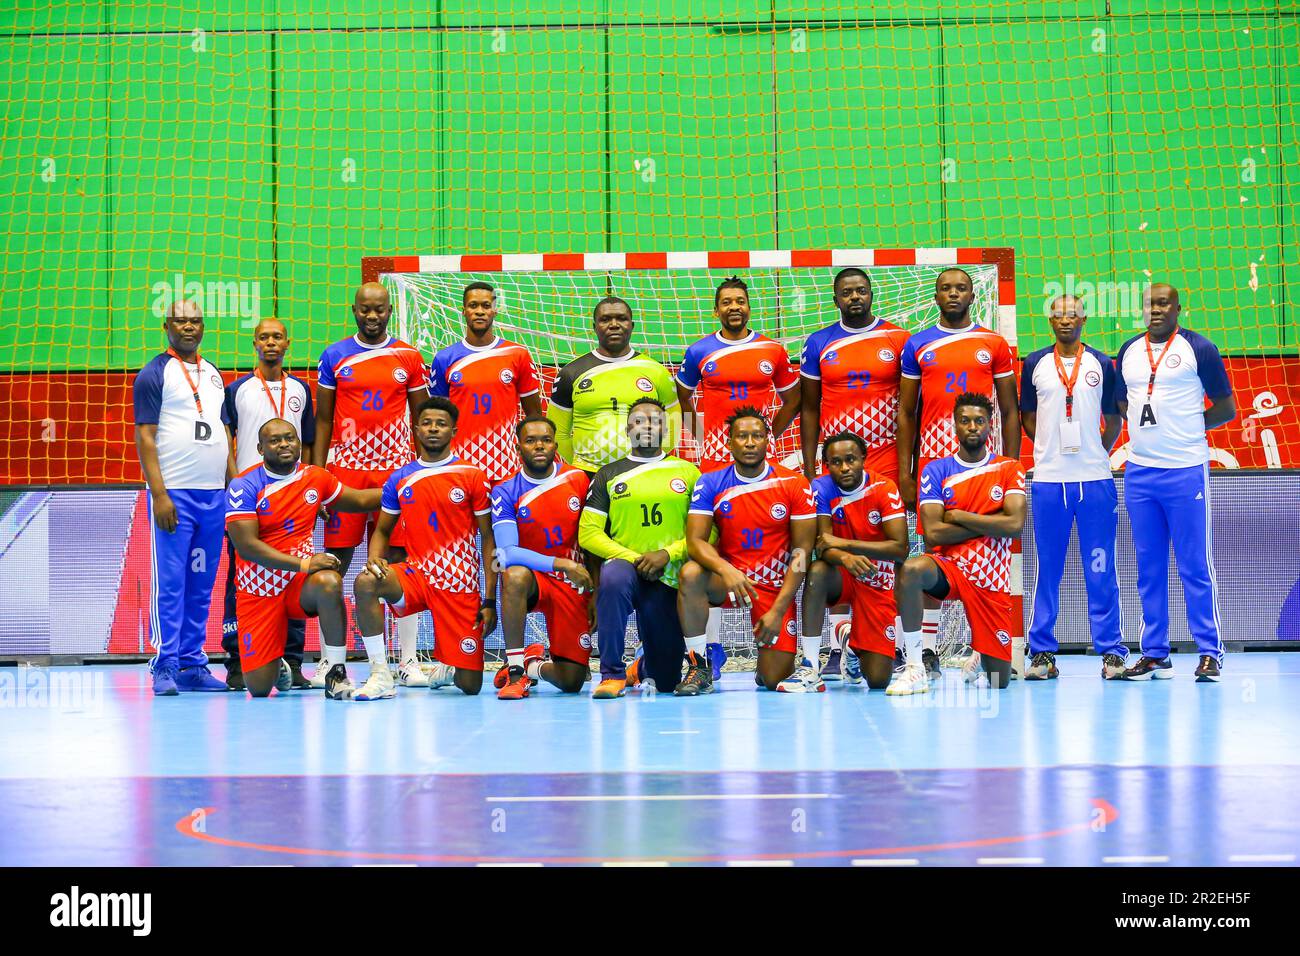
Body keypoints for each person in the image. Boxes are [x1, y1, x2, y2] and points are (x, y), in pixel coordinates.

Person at [897, 268, 1020, 679]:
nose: (953, 294)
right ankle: (926, 651)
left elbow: (1009, 409)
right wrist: (906, 472)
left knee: (988, 553)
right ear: (935, 296)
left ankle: (983, 646)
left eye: (960, 288)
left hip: (986, 464)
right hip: (935, 461)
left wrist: (1012, 466)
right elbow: (907, 412)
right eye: (945, 288)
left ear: (972, 295)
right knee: (936, 553)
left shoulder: (992, 343)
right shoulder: (918, 344)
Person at [675, 276, 800, 676]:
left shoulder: (772, 350)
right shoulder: (699, 352)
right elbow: (685, 399)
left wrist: (770, 435)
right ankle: (708, 650)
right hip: (714, 460)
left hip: (760, 457)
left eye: (740, 301)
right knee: (713, 549)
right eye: (726, 301)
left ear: (749, 307)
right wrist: (700, 445)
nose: (734, 307)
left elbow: (794, 397)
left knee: (769, 535)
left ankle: (783, 624)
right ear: (716, 310)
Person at [1115, 283, 1235, 682]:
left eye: (1163, 303)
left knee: (1194, 565)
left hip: (1186, 471)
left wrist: (1185, 428)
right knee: (1148, 569)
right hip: (1140, 473)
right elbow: (1122, 405)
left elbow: (1226, 408)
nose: (1156, 309)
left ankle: (1210, 652)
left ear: (1178, 308)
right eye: (1149, 303)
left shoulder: (1200, 349)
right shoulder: (1129, 351)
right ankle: (1155, 653)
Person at [314, 282, 430, 687]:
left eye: (379, 309)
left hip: (395, 476)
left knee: (396, 565)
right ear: (354, 310)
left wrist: (418, 473)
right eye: (365, 310)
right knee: (335, 564)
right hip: (345, 475)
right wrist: (317, 481)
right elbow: (324, 421)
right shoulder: (334, 355)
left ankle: (408, 660)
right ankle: (333, 662)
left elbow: (422, 421)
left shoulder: (408, 356)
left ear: (390, 310)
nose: (372, 316)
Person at [799, 266, 909, 679]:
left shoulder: (897, 340)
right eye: (846, 293)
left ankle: (892, 641)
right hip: (836, 466)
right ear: (835, 299)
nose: (855, 298)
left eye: (861, 290)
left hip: (881, 463)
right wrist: (810, 467)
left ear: (871, 294)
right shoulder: (819, 343)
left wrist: (905, 470)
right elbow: (809, 408)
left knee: (892, 557)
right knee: (829, 552)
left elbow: (906, 408)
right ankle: (834, 642)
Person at [351, 397, 498, 699]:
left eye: (441, 424)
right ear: (416, 430)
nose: (433, 429)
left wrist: (489, 598)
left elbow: (488, 538)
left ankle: (451, 664)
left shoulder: (473, 475)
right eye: (427, 423)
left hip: (458, 583)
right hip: (416, 575)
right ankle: (380, 673)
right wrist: (374, 560)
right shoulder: (400, 478)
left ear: (454, 431)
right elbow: (381, 529)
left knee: (471, 687)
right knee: (366, 582)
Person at [225, 419, 381, 698]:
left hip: (298, 585)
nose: (284, 444)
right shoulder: (243, 485)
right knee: (259, 688)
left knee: (329, 581)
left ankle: (336, 672)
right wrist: (305, 564)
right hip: (258, 590)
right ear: (260, 448)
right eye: (274, 440)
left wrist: (402, 490)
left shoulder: (315, 477)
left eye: (290, 438)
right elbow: (246, 546)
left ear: (298, 443)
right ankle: (276, 666)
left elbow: (357, 500)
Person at [1020, 294, 1127, 680]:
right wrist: (1050, 449)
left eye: (1072, 314)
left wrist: (1097, 451)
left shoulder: (1102, 363)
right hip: (1049, 482)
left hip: (1095, 482)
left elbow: (1113, 419)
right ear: (1050, 321)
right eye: (1058, 314)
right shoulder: (1034, 363)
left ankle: (1112, 652)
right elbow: (1028, 419)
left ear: (1085, 318)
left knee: (1100, 568)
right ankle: (1043, 654)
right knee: (1048, 570)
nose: (1065, 320)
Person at [893, 393, 1027, 695]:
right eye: (964, 421)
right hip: (949, 568)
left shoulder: (1008, 468)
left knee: (998, 682)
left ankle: (981, 654)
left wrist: (961, 515)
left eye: (979, 421)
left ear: (990, 426)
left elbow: (1015, 526)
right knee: (912, 569)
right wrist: (991, 523)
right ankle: (914, 664)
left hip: (990, 578)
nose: (972, 427)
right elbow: (933, 533)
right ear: (954, 425)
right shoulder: (937, 470)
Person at [133, 299, 232, 696]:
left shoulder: (212, 374)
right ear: (167, 325)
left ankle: (193, 664)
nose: (189, 327)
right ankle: (165, 663)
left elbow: (224, 434)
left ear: (203, 326)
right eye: (181, 321)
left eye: (195, 321)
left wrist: (235, 491)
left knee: (202, 583)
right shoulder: (154, 374)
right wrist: (159, 494)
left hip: (214, 496)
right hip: (174, 494)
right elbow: (145, 435)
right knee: (172, 583)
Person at [679, 407, 816, 693]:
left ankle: (767, 663)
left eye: (757, 436)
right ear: (729, 443)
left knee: (773, 680)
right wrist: (725, 569)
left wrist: (779, 610)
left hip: (773, 589)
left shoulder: (793, 483)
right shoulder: (710, 482)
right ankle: (698, 665)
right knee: (691, 574)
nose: (750, 443)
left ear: (769, 440)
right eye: (742, 436)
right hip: (729, 582)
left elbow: (802, 552)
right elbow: (695, 542)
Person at [578, 398, 700, 699]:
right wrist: (633, 558)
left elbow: (708, 533)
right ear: (627, 428)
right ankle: (612, 675)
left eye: (655, 420)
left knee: (667, 679)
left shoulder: (688, 472)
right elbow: (588, 533)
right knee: (613, 576)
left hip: (669, 575)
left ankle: (641, 667)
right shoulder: (607, 474)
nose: (647, 425)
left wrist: (667, 554)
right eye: (639, 420)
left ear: (666, 429)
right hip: (627, 569)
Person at [220, 318, 316, 690]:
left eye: (277, 337)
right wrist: (234, 482)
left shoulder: (302, 389)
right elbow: (225, 436)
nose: (271, 343)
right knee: (238, 579)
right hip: (248, 500)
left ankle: (291, 661)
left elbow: (306, 443)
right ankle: (237, 662)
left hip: (292, 499)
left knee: (294, 576)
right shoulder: (238, 389)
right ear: (254, 343)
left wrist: (310, 487)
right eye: (264, 337)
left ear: (287, 343)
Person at [490, 416, 594, 699]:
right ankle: (515, 672)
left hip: (573, 584)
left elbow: (593, 539)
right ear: (518, 447)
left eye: (546, 440)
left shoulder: (577, 479)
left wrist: (595, 589)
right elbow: (507, 552)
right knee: (512, 574)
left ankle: (532, 664)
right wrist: (561, 564)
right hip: (536, 579)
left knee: (571, 682)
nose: (539, 446)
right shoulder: (505, 491)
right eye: (531, 440)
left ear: (555, 445)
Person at [801, 433, 910, 691]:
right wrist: (845, 557)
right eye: (836, 462)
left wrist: (847, 545)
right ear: (827, 465)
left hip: (876, 578)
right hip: (842, 574)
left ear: (863, 458)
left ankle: (849, 641)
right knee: (816, 571)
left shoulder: (885, 489)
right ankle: (810, 667)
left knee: (878, 680)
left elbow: (900, 549)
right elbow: (822, 545)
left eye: (850, 459)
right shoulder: (821, 487)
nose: (844, 467)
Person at [546, 296, 681, 474]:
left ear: (632, 325)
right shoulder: (570, 373)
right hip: (587, 474)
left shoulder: (657, 372)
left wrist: (648, 462)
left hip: (642, 472)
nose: (614, 324)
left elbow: (673, 424)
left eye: (621, 318)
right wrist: (582, 467)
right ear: (594, 327)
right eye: (605, 319)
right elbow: (557, 433)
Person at [429, 281, 543, 484]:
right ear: (463, 311)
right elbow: (438, 419)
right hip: (459, 466)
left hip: (507, 466)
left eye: (486, 306)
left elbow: (534, 416)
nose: (479, 311)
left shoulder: (517, 355)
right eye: (473, 306)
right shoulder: (445, 358)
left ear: (495, 311)